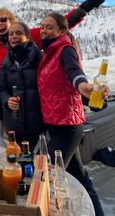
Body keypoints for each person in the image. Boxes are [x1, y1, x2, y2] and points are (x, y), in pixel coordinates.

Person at [37, 12, 106, 216]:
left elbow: (74, 72)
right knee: (80, 176)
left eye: (50, 27)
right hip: (56, 126)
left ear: (61, 31)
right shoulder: (47, 54)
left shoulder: (65, 49)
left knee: (46, 180)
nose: (44, 30)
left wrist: (84, 87)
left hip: (67, 128)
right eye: (42, 26)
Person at [0, 22, 43, 151]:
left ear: (27, 37)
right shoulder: (6, 63)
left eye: (18, 33)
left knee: (39, 162)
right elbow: (0, 89)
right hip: (14, 123)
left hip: (37, 123)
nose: (14, 36)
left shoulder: (39, 58)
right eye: (11, 34)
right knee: (21, 160)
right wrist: (7, 100)